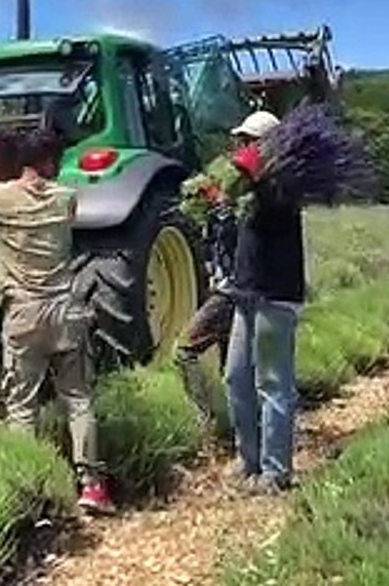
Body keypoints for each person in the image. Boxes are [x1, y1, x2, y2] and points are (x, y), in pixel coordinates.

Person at [0, 129, 115, 515]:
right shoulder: (66, 198)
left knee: (22, 407)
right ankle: (92, 486)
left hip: (22, 314)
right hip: (65, 310)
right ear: (49, 162)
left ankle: (27, 491)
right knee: (78, 400)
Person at [221, 109, 307, 495]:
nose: (243, 147)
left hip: (276, 295)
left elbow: (271, 198)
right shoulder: (250, 190)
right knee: (236, 377)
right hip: (247, 292)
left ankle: (275, 472)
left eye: (250, 141)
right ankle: (249, 461)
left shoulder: (284, 184)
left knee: (273, 383)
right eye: (242, 141)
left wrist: (250, 172)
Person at [173, 175, 239, 447]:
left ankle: (205, 420)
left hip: (228, 294)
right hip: (234, 295)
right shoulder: (216, 219)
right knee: (232, 367)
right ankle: (239, 429)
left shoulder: (229, 217)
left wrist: (221, 204)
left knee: (183, 350)